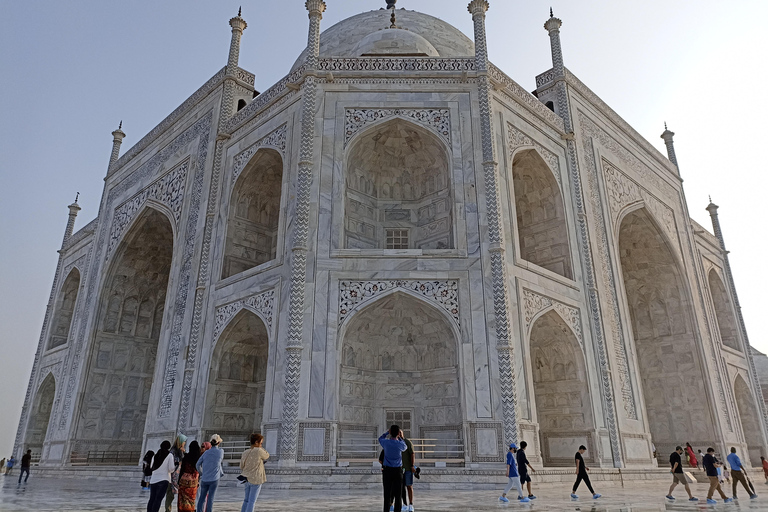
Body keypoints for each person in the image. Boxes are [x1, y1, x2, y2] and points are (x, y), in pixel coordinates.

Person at [379, 425, 407, 512]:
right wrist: (400, 437)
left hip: (387, 470)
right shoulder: (400, 444)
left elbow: (380, 438)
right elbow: (405, 446)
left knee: (387, 494)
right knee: (398, 495)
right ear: (398, 433)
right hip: (398, 471)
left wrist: (387, 432)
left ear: (390, 432)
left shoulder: (386, 443)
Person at [239, 433, 270, 512]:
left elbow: (241, 466)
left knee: (246, 500)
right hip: (256, 479)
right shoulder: (259, 451)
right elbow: (267, 455)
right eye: (261, 443)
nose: (261, 445)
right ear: (256, 442)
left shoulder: (245, 452)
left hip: (246, 478)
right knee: (252, 501)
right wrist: (261, 448)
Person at [196, 434, 224, 512]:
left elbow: (197, 464)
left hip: (205, 478)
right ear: (218, 443)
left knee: (201, 498)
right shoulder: (221, 452)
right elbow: (218, 463)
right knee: (210, 498)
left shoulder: (206, 453)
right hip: (214, 479)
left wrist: (201, 473)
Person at [147, 441, 175, 512]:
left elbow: (151, 466)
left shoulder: (155, 455)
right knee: (158, 499)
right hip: (163, 480)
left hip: (153, 480)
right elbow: (171, 468)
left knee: (152, 499)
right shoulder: (169, 455)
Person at [165, 434, 187, 512]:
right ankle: (168, 510)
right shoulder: (173, 451)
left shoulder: (180, 450)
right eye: (184, 441)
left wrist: (183, 452)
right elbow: (172, 462)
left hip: (178, 475)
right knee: (170, 494)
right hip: (172, 474)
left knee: (174, 494)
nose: (185, 443)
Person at [178, 441, 201, 512]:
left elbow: (182, 469)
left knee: (182, 499)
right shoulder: (199, 458)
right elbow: (199, 470)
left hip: (184, 480)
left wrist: (178, 481)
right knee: (191, 499)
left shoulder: (186, 457)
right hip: (193, 482)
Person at [401, 434, 415, 512]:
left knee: (409, 486)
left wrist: (412, 466)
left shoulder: (407, 442)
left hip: (408, 469)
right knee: (401, 488)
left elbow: (412, 454)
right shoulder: (396, 443)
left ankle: (411, 504)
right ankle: (404, 504)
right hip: (399, 469)